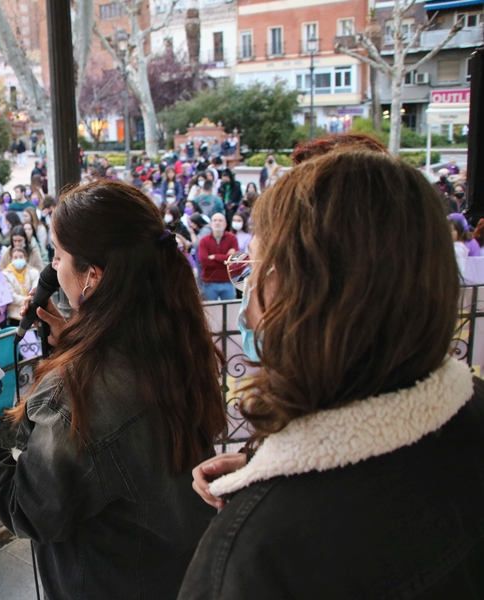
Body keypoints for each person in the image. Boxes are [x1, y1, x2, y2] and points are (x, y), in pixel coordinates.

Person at [181, 146, 484, 599]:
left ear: (304, 300)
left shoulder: (254, 550)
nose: (248, 296)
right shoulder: (472, 406)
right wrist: (263, 467)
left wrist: (280, 492)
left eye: (255, 271)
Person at [0, 179, 226, 600]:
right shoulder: (172, 339)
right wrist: (76, 342)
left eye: (58, 255)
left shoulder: (77, 394)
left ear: (93, 276)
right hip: (176, 570)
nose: (51, 270)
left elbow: (29, 510)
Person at [198, 213, 238, 301]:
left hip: (228, 281)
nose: (217, 223)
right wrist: (226, 258)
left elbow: (235, 260)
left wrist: (215, 256)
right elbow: (204, 261)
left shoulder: (232, 238)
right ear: (211, 224)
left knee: (230, 311)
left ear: (225, 224)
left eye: (220, 220)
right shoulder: (204, 241)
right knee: (210, 311)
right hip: (209, 282)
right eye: (215, 220)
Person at [1, 247, 39, 326]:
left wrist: (29, 302)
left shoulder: (34, 273)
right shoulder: (5, 275)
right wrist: (28, 301)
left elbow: (36, 291)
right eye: (15, 257)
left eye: (21, 257)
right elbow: (11, 296)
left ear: (26, 258)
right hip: (14, 315)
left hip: (32, 313)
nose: (18, 259)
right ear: (11, 259)